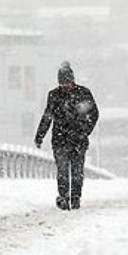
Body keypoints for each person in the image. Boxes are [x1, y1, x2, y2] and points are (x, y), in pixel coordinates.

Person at [34, 61, 99, 210]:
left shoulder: (84, 93)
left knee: (77, 171)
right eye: (62, 83)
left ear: (72, 80)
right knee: (63, 171)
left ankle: (75, 198)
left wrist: (85, 131)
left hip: (78, 139)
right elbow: (47, 116)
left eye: (67, 82)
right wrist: (40, 135)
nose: (65, 86)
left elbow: (94, 113)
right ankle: (64, 197)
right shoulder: (54, 95)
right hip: (60, 140)